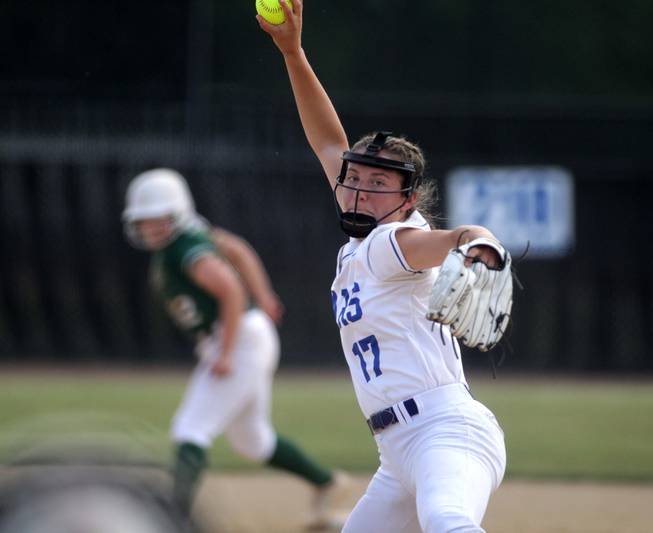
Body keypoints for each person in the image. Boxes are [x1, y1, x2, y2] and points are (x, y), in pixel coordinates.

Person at [257, 3, 509, 532]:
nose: (360, 191)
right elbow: (329, 142)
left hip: (446, 434)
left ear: (407, 197)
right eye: (356, 179)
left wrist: (481, 242)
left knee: (448, 522)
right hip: (396, 454)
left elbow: (455, 238)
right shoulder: (365, 224)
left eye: (378, 185)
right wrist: (293, 52)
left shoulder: (391, 239)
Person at [121, 167, 350, 531]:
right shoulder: (194, 235)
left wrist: (226, 352)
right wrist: (264, 295)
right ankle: (326, 482)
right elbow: (238, 250)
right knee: (251, 441)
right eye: (144, 221)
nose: (150, 227)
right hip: (244, 335)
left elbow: (229, 290)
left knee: (191, 427)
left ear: (176, 213)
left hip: (238, 339)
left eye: (158, 219)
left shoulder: (185, 247)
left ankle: (171, 515)